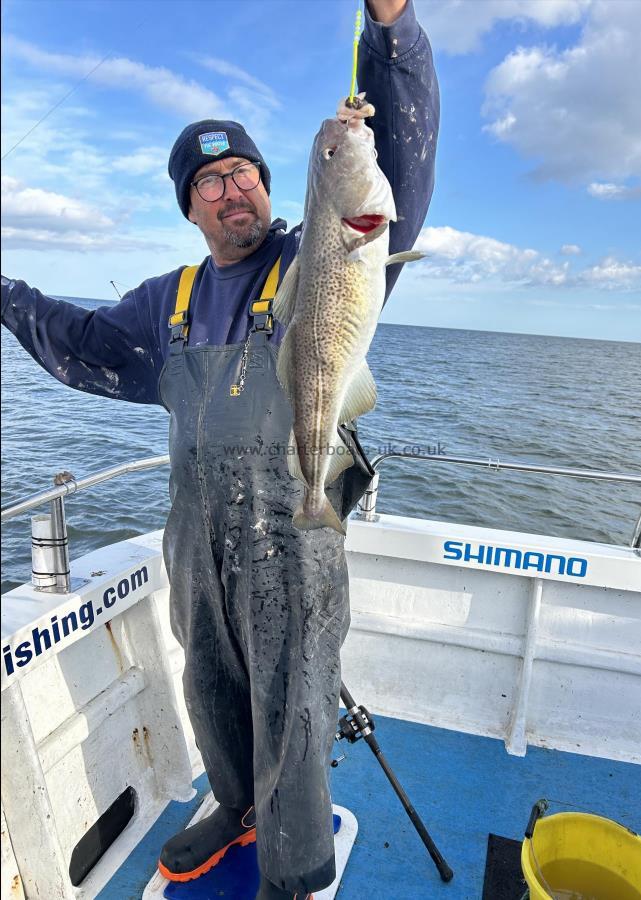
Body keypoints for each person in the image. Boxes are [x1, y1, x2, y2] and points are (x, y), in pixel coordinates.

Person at [1, 1, 439, 897]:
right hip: (195, 535)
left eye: (245, 172)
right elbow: (76, 342)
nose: (233, 188)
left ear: (273, 186)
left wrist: (390, 33)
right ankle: (236, 805)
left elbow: (390, 164)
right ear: (189, 206)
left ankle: (296, 869)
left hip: (295, 529)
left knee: (292, 706)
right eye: (211, 182)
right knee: (210, 683)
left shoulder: (326, 248)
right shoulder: (167, 300)